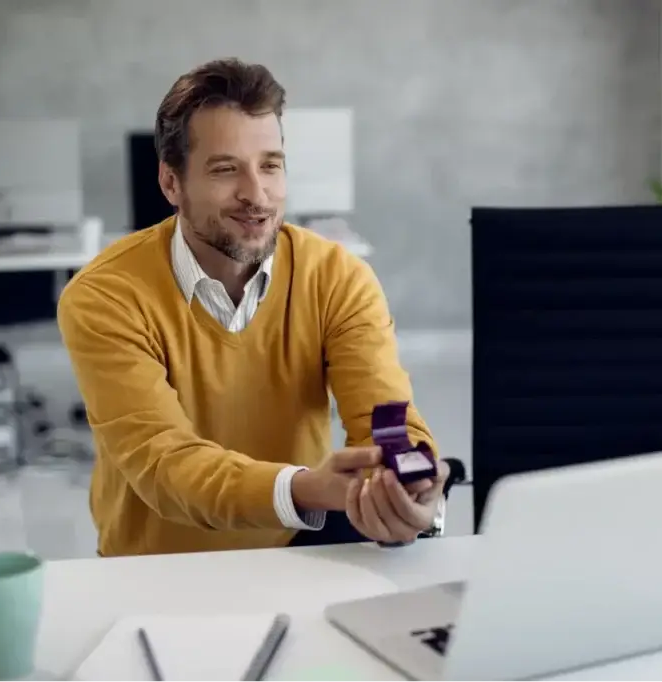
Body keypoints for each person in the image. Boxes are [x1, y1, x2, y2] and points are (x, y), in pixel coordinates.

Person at [57, 58, 448, 556]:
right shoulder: (105, 296)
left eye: (270, 165)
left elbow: (386, 416)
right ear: (171, 183)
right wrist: (306, 488)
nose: (257, 195)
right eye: (225, 170)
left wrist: (412, 481)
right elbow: (165, 465)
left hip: (294, 550)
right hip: (158, 568)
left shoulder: (338, 277)